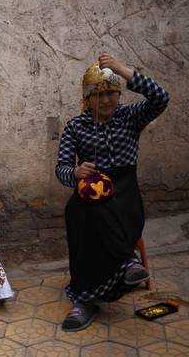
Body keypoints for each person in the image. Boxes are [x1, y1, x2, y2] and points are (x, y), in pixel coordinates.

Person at [55, 53, 169, 332]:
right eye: (99, 94)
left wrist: (122, 69)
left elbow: (161, 98)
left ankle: (90, 295)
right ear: (87, 97)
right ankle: (95, 290)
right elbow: (61, 169)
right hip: (91, 190)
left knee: (100, 208)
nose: (106, 100)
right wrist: (76, 174)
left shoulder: (131, 117)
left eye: (111, 93)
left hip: (125, 191)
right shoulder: (75, 126)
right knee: (77, 211)